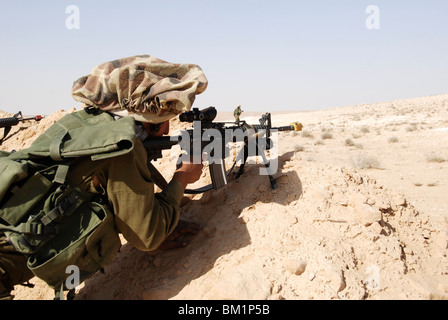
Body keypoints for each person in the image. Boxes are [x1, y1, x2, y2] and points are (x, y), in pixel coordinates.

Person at [0, 114, 204, 299]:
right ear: (146, 118)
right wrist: (183, 177)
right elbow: (147, 237)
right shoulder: (121, 146)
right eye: (165, 118)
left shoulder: (82, 123)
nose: (168, 129)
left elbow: (100, 197)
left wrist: (154, 210)